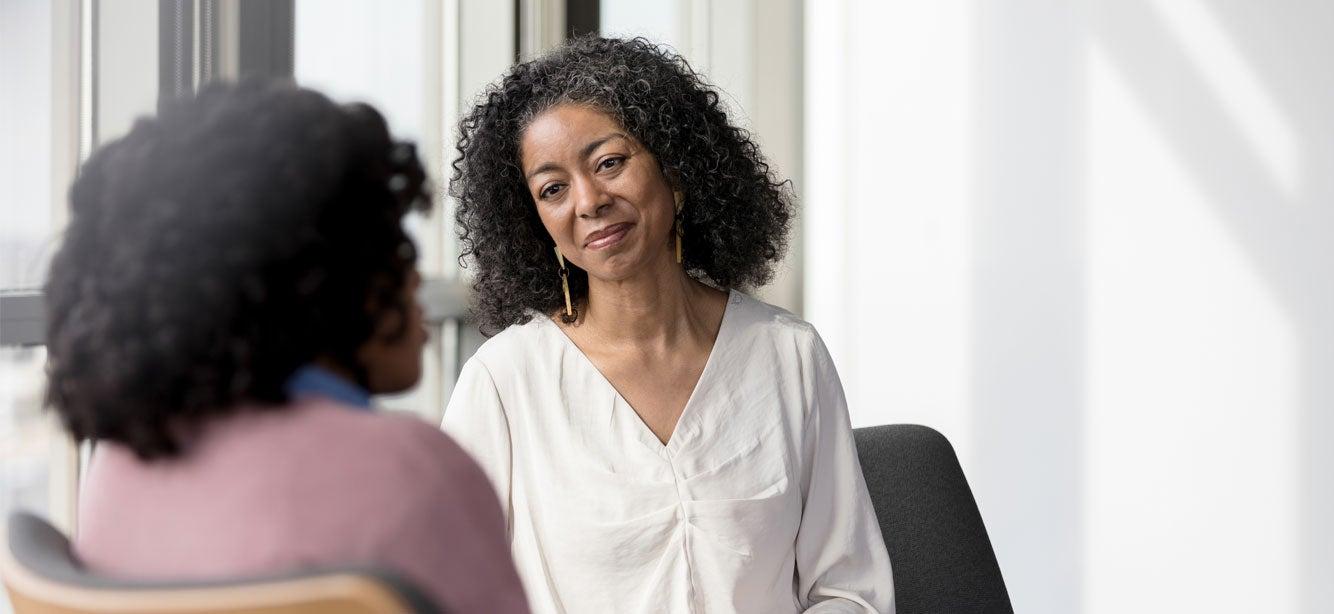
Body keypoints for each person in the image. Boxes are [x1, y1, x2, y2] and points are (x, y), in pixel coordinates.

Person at [442, 37, 894, 613]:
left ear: (676, 170)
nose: (589, 201)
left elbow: (848, 590)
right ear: (535, 222)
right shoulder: (504, 382)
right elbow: (449, 592)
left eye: (610, 162)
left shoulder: (789, 356)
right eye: (553, 189)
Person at [44, 80, 529, 614]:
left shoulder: (119, 466)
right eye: (391, 244)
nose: (414, 277)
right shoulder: (411, 474)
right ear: (316, 280)